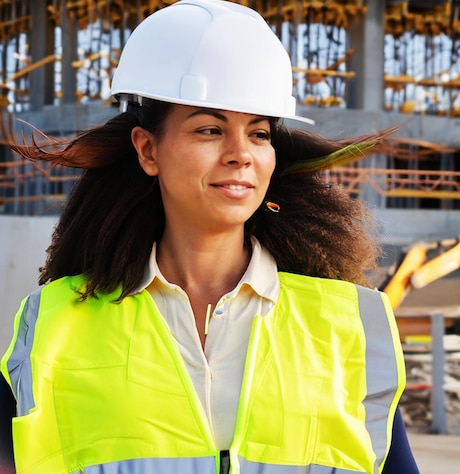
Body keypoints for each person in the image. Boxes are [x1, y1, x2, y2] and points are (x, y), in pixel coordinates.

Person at [0, 1, 419, 472]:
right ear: (147, 149)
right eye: (210, 129)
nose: (241, 154)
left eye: (259, 134)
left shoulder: (350, 325)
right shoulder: (54, 327)